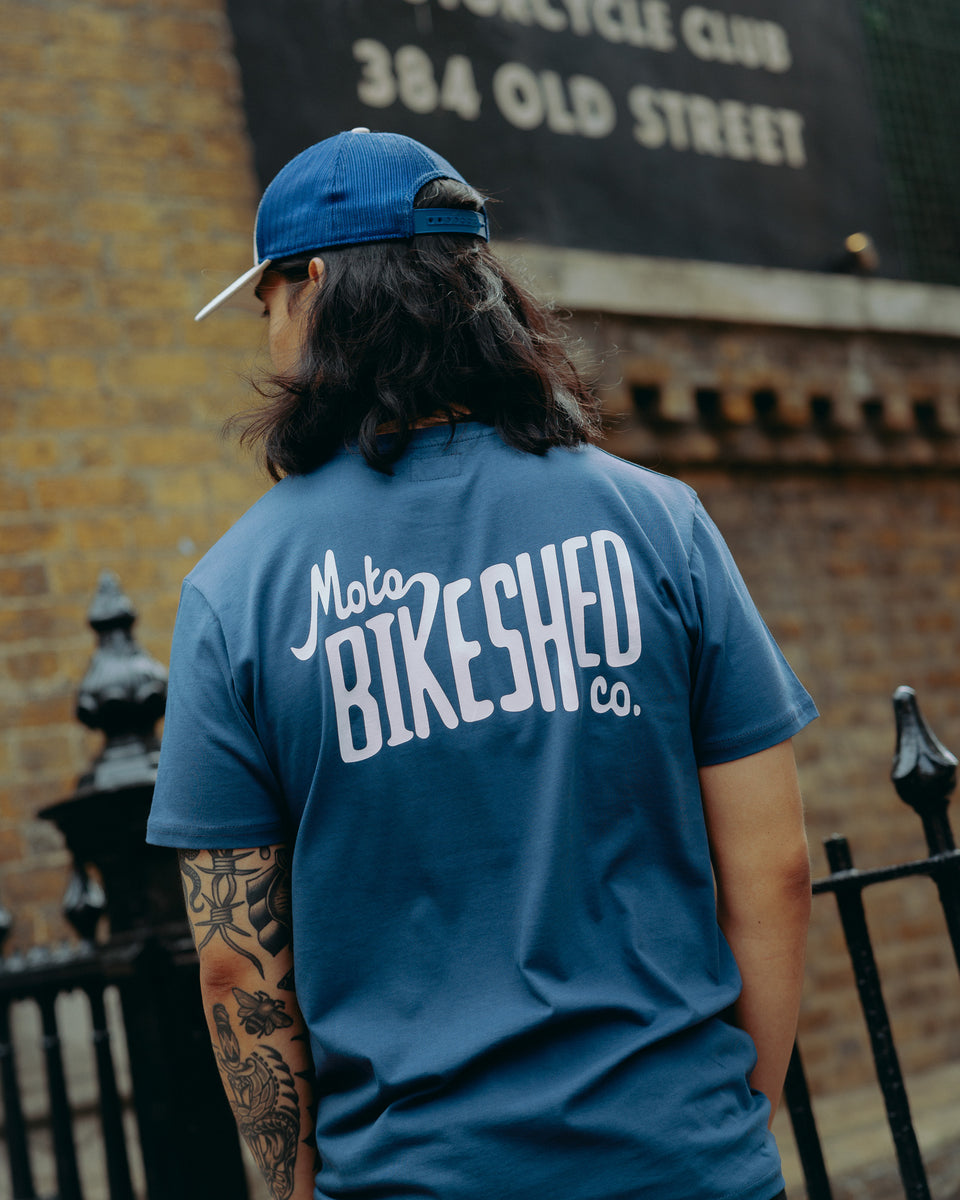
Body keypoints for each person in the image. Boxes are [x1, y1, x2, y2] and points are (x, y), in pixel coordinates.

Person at [146, 127, 817, 1200]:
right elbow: (776, 869)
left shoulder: (236, 592)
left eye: (265, 298)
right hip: (682, 1157)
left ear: (310, 284)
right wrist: (734, 1123)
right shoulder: (659, 524)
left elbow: (236, 965)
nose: (266, 329)